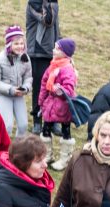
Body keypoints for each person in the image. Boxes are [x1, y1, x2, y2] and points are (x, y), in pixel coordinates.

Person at [38, 38, 78, 171]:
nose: (54, 50)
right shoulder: (53, 66)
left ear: (65, 53)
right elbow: (44, 84)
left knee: (66, 131)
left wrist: (57, 89)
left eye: (57, 49)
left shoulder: (67, 69)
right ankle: (47, 155)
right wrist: (41, 101)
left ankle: (65, 158)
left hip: (63, 107)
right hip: (50, 106)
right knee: (46, 130)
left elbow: (69, 89)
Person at [0, 25, 32, 139]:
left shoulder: (25, 58)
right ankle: (3, 151)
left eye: (22, 43)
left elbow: (28, 77)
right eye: (16, 44)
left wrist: (26, 88)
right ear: (9, 44)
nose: (20, 47)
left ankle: (18, 150)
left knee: (23, 125)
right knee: (7, 126)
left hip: (19, 95)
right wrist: (11, 89)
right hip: (4, 95)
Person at [25, 0, 60, 134]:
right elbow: (48, 20)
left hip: (53, 52)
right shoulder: (34, 4)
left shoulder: (51, 3)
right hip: (38, 52)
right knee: (39, 89)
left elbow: (56, 26)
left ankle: (53, 119)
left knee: (55, 87)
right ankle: (37, 120)